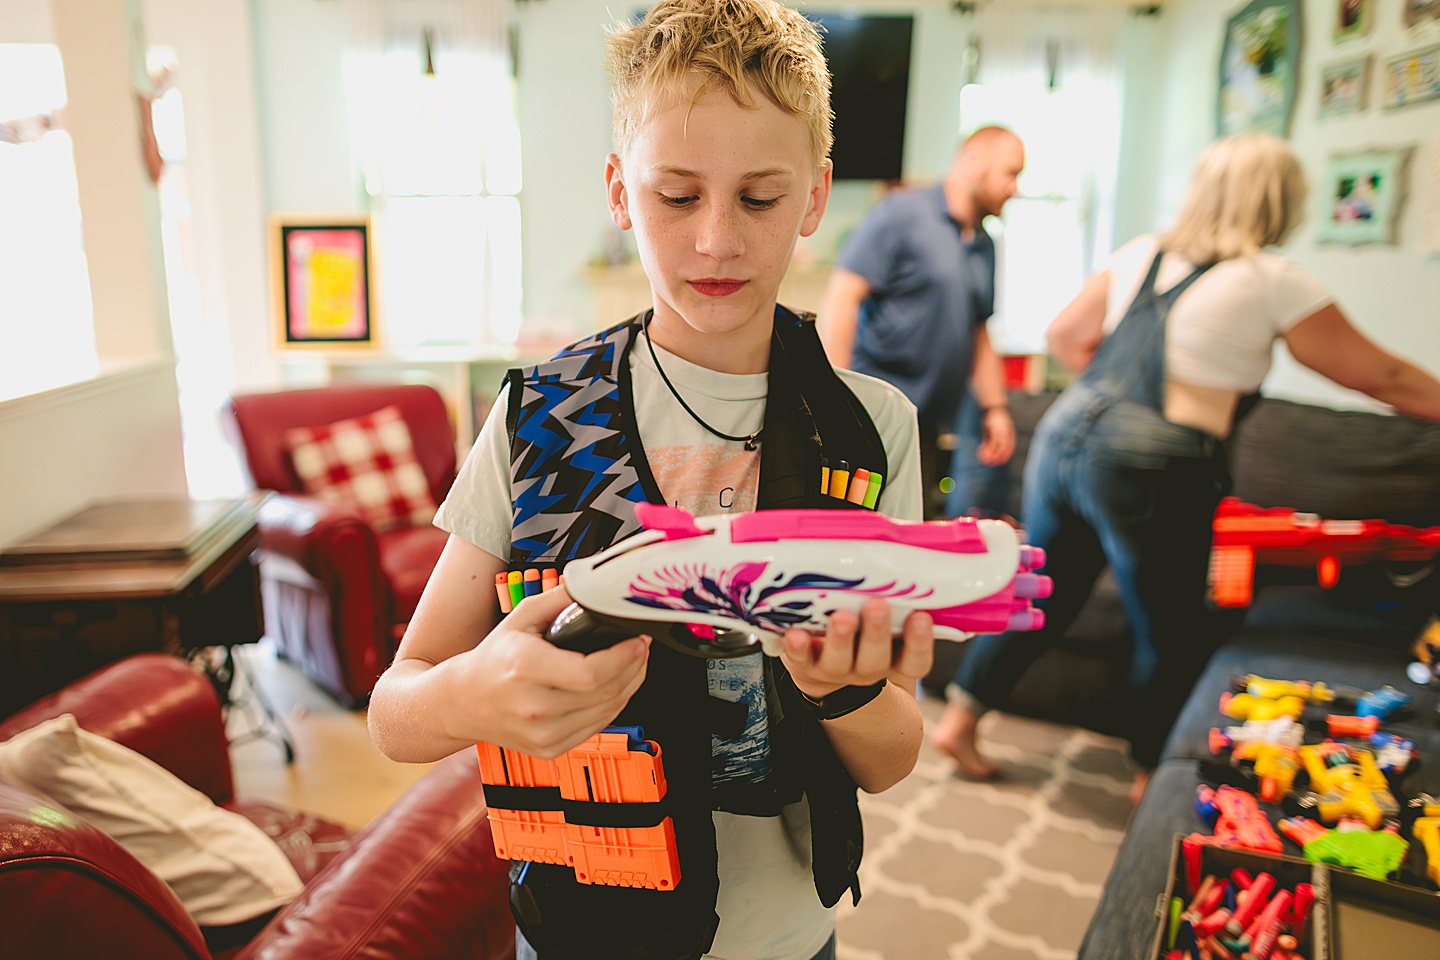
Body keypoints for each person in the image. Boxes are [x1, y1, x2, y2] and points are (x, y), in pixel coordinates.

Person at [366, 3, 934, 959]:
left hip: (788, 938)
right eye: (678, 196)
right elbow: (395, 709)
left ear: (815, 197)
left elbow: (894, 755)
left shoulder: (871, 432)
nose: (717, 241)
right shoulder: (535, 416)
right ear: (620, 191)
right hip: (582, 929)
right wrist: (471, 696)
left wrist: (842, 693)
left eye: (759, 198)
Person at [929, 132, 1440, 798]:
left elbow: (1064, 335)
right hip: (1153, 464)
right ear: (1278, 200)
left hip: (1065, 436)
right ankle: (1149, 774)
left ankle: (961, 718)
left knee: (1044, 591)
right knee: (1168, 627)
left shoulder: (1142, 254)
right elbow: (1382, 375)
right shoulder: (1273, 280)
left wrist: (1113, 408)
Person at [819, 127, 1023, 519]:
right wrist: (834, 394)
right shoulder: (903, 213)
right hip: (871, 417)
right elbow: (844, 295)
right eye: (1010, 173)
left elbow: (978, 331)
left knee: (912, 531)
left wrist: (995, 408)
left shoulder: (984, 244)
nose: (1015, 188)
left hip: (925, 426)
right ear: (973, 159)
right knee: (853, 529)